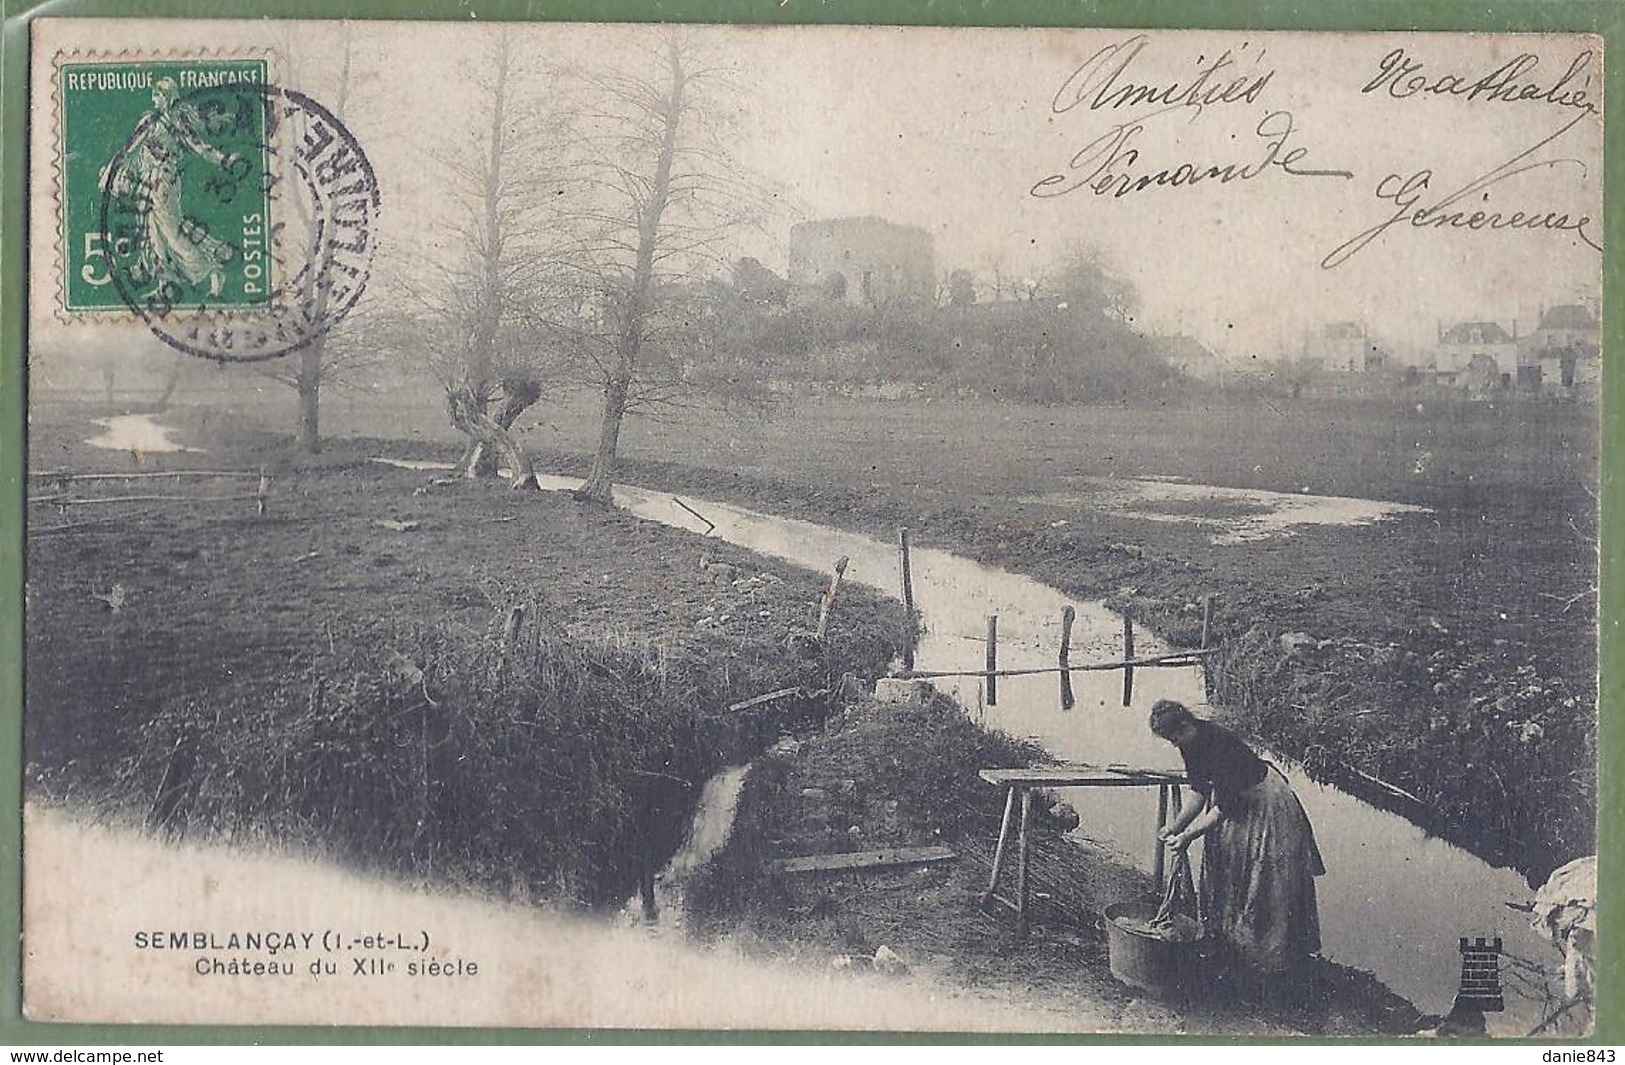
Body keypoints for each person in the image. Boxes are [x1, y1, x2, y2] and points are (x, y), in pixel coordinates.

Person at [1149, 698, 1325, 980]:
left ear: (1186, 724)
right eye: (1170, 740)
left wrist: (1188, 837)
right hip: (1235, 805)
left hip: (1265, 806)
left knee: (1266, 880)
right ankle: (1234, 946)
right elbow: (1199, 791)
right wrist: (1175, 827)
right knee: (1230, 872)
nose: (1174, 743)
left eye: (1174, 736)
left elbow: (1223, 809)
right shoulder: (1190, 744)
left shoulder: (1220, 744)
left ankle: (1271, 960)